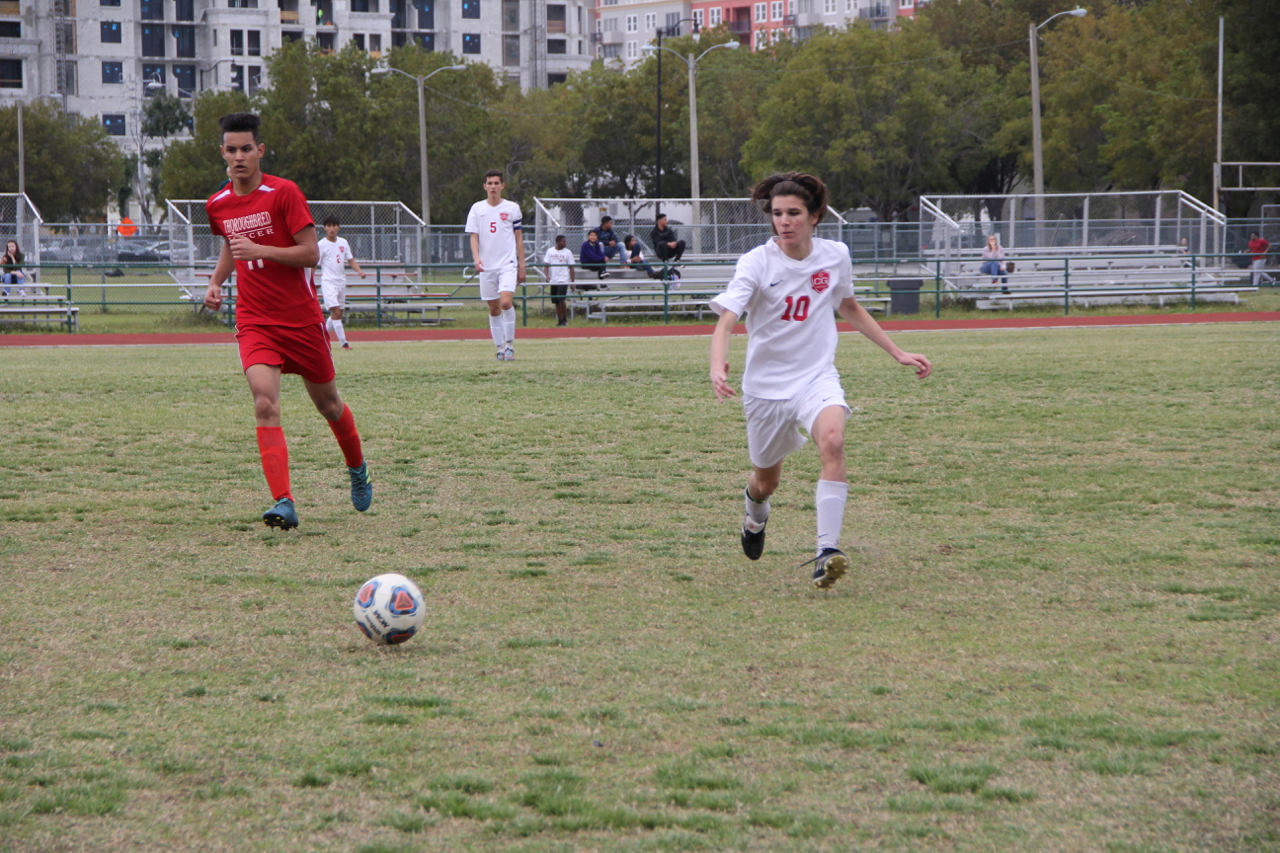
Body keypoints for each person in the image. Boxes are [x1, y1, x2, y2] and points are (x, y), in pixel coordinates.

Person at [708, 172, 931, 589]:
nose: (784, 222)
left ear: (815, 216)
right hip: (765, 390)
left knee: (833, 440)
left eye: (793, 213)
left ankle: (827, 550)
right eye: (777, 214)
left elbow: (848, 305)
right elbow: (726, 321)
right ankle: (755, 516)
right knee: (765, 482)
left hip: (816, 377)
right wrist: (717, 365)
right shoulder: (757, 262)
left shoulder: (835, 255)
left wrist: (897, 351)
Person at [203, 112, 372, 531]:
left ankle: (357, 468)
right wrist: (216, 282)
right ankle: (284, 501)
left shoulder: (284, 193)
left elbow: (310, 252)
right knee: (264, 402)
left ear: (260, 151)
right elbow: (231, 245)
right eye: (231, 149)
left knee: (329, 406)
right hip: (255, 319)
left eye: (247, 149)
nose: (239, 156)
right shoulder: (217, 204)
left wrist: (261, 249)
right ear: (222, 153)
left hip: (300, 320)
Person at [465, 169, 526, 362]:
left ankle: (509, 346)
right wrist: (476, 257)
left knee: (506, 302)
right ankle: (499, 348)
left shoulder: (512, 208)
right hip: (487, 266)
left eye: (496, 183)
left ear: (502, 186)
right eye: (489, 183)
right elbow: (473, 236)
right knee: (493, 308)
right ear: (485, 186)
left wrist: (522, 265)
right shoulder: (477, 209)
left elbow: (518, 238)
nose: (493, 187)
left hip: (507, 264)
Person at [315, 214, 366, 350]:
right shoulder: (321, 245)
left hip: (341, 282)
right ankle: (344, 343)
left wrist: (359, 271)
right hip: (329, 283)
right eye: (329, 226)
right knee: (336, 312)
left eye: (334, 225)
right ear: (325, 228)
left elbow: (351, 260)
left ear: (339, 227)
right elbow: (314, 264)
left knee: (337, 313)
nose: (332, 228)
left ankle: (320, 336)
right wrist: (309, 280)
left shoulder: (343, 242)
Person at [543, 234, 576, 327]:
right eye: (563, 241)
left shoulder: (568, 252)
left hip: (563, 279)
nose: (565, 243)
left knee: (561, 298)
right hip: (554, 279)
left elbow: (572, 268)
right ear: (557, 242)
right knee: (556, 301)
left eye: (565, 241)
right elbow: (546, 265)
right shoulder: (550, 251)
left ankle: (565, 319)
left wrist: (572, 282)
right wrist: (547, 275)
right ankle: (560, 320)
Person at [650, 213, 686, 277]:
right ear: (659, 221)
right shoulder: (654, 232)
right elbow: (658, 242)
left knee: (682, 242)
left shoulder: (669, 230)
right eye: (665, 220)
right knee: (662, 244)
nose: (667, 221)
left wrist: (674, 243)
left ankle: (676, 262)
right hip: (661, 252)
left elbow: (673, 240)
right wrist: (668, 243)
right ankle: (666, 263)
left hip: (670, 251)